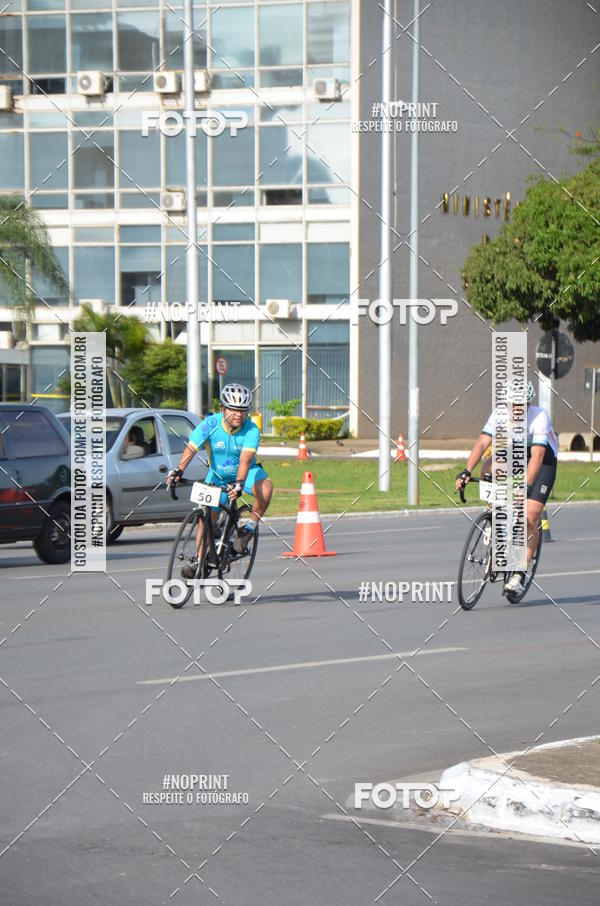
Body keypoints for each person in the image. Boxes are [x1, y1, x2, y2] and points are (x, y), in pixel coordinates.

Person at [455, 380, 558, 594]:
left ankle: (520, 573)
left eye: (521, 405)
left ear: (529, 404)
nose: (516, 409)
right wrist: (466, 471)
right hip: (516, 453)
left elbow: (537, 456)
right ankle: (494, 515)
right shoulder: (500, 414)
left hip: (543, 459)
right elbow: (483, 443)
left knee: (530, 516)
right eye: (512, 405)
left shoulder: (539, 417)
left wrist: (525, 487)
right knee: (487, 469)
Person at [167, 383, 273, 567]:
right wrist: (178, 470)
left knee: (266, 488)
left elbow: (245, 460)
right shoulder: (210, 424)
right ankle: (199, 562)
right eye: (233, 409)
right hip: (217, 476)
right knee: (206, 517)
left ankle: (248, 529)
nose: (239, 414)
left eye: (243, 410)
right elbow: (191, 448)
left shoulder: (251, 430)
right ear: (223, 409)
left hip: (246, 473)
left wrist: (239, 483)